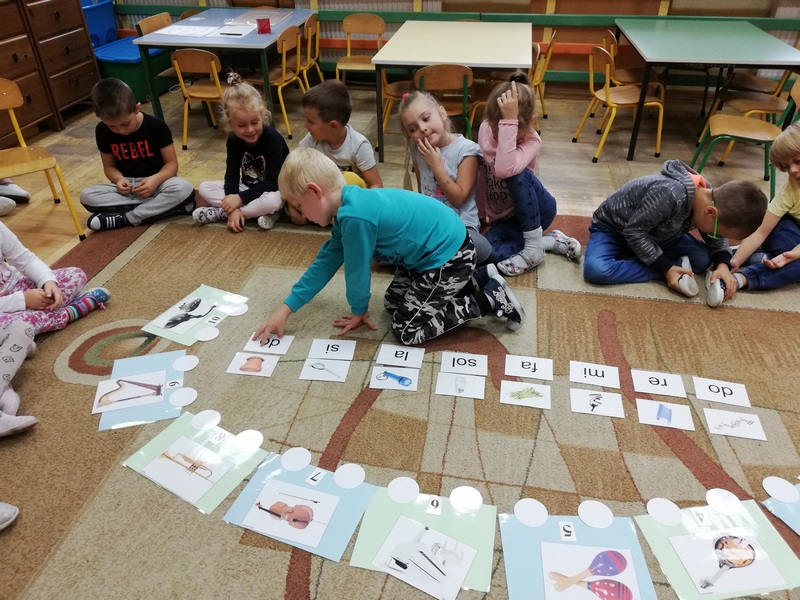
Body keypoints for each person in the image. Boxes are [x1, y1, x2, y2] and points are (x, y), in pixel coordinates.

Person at [253, 148, 526, 347]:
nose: (301, 215)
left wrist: (359, 310)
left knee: (406, 330)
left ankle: (488, 299)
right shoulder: (347, 205)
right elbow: (324, 264)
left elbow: (357, 274)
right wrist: (285, 309)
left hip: (449, 258)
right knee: (392, 304)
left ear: (315, 191)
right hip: (429, 254)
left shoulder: (355, 217)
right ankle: (475, 279)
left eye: (299, 206)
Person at [583, 160, 767, 305]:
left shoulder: (709, 199)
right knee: (596, 270)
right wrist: (666, 269)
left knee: (703, 260)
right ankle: (671, 266)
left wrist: (722, 265)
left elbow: (716, 240)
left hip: (660, 235)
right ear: (710, 212)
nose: (715, 236)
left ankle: (661, 261)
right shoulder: (669, 193)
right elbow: (634, 232)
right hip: (615, 229)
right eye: (716, 231)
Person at [0, 221, 110, 435]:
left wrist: (48, 283)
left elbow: (26, 259)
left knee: (75, 275)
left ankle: (19, 340)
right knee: (21, 327)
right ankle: (69, 312)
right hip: (9, 308)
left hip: (18, 290)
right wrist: (22, 300)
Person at [477, 75, 581, 275]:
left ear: (530, 123)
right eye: (495, 128)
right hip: (506, 218)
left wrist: (508, 122)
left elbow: (504, 169)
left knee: (515, 174)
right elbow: (482, 175)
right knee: (487, 254)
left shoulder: (533, 141)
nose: (499, 135)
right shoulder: (485, 128)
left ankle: (533, 248)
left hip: (539, 211)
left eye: (507, 129)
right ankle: (549, 241)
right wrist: (483, 217)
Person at [80, 78, 195, 231]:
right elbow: (109, 167)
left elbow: (172, 164)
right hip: (127, 189)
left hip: (159, 183)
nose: (120, 130)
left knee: (184, 189)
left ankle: (125, 218)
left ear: (136, 109)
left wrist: (155, 180)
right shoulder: (102, 131)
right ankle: (166, 207)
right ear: (100, 118)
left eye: (125, 123)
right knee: (87, 196)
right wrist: (119, 179)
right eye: (112, 126)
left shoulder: (156, 126)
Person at [398, 91, 492, 264]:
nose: (422, 128)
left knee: (481, 248)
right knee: (388, 239)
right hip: (431, 225)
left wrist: (435, 166)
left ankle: (431, 258)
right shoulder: (418, 150)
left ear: (442, 112)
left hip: (461, 226)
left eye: (426, 118)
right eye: (413, 129)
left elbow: (459, 199)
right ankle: (438, 259)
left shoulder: (467, 150)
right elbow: (423, 192)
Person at [193, 75, 290, 232]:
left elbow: (274, 182)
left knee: (273, 201)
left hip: (273, 190)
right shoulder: (233, 140)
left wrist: (239, 199)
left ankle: (223, 213)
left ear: (262, 116)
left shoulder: (273, 140)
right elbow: (231, 175)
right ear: (230, 124)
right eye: (241, 125)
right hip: (247, 188)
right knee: (205, 188)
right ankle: (244, 212)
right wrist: (233, 199)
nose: (250, 129)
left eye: (255, 122)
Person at [722, 122, 800, 300]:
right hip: (787, 230)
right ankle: (747, 256)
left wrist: (794, 255)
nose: (793, 171)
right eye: (786, 167)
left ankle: (744, 278)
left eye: (798, 161)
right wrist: (735, 261)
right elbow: (762, 230)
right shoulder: (792, 187)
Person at [299, 80, 382, 190]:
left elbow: (376, 185)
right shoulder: (310, 141)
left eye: (311, 122)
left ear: (333, 126)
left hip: (352, 196)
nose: (305, 125)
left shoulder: (359, 146)